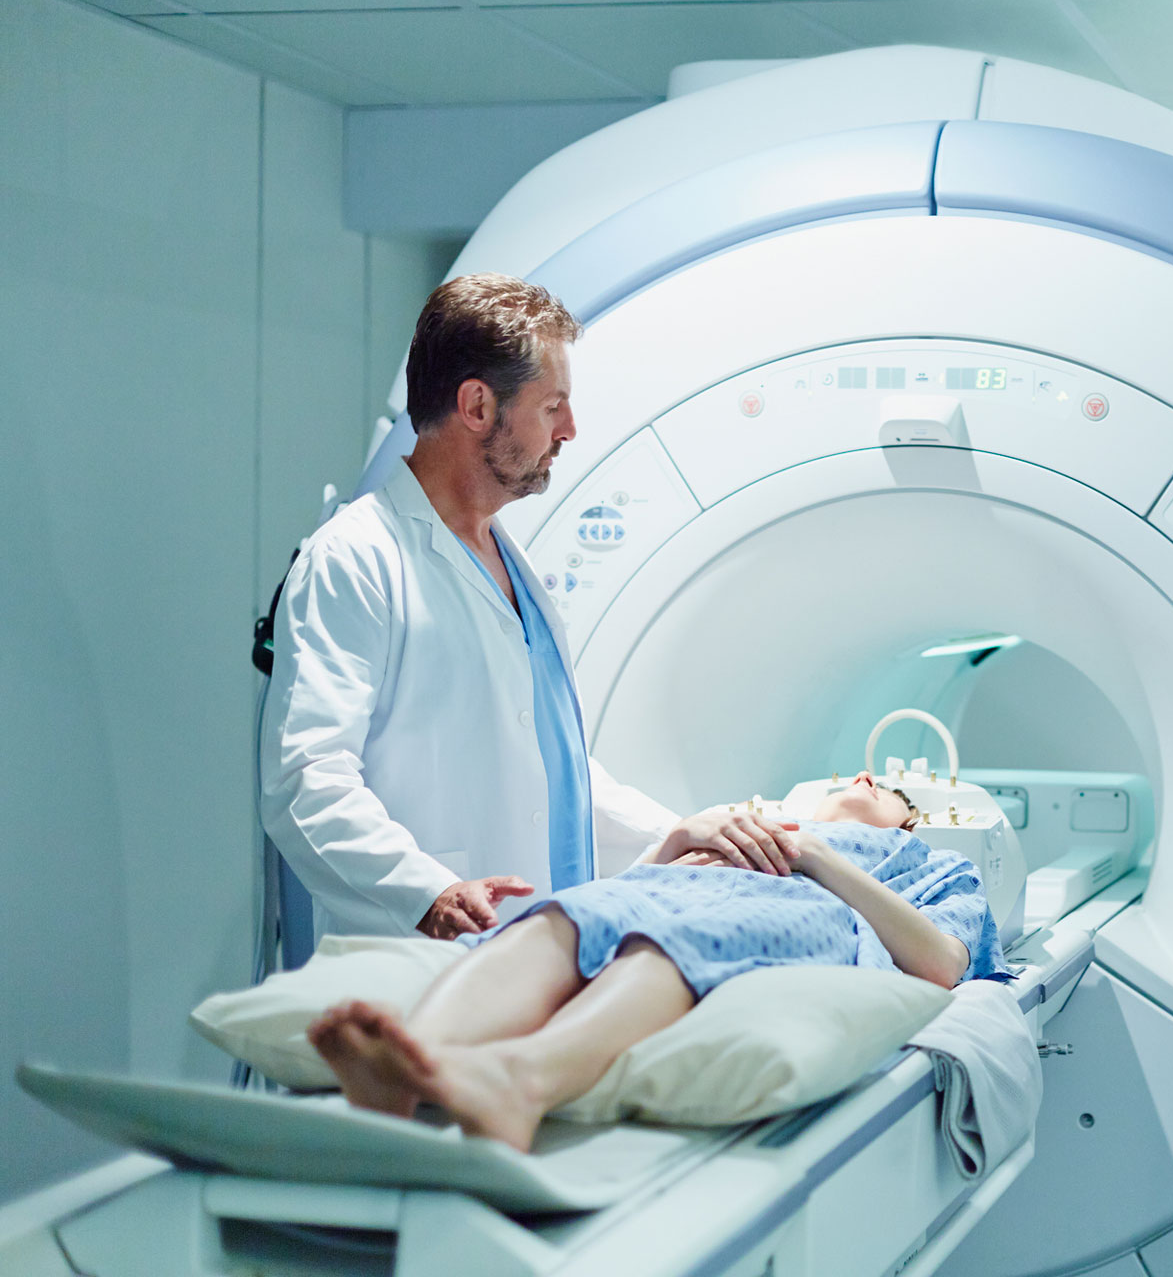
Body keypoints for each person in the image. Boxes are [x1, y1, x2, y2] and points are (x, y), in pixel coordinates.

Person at [260, 274, 795, 943]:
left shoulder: (511, 564)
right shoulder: (356, 558)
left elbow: (550, 773)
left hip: (531, 955)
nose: (570, 430)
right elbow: (306, 782)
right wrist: (426, 891)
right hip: (414, 965)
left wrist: (676, 832)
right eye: (552, 407)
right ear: (478, 405)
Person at [306, 771, 1005, 1151]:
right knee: (569, 916)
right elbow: (627, 891)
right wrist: (675, 840)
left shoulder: (926, 865)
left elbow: (943, 963)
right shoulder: (741, 815)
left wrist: (815, 856)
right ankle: (412, 1059)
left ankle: (521, 1079)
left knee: (673, 942)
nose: (864, 776)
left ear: (907, 825)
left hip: (807, 909)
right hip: (676, 880)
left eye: (888, 790)